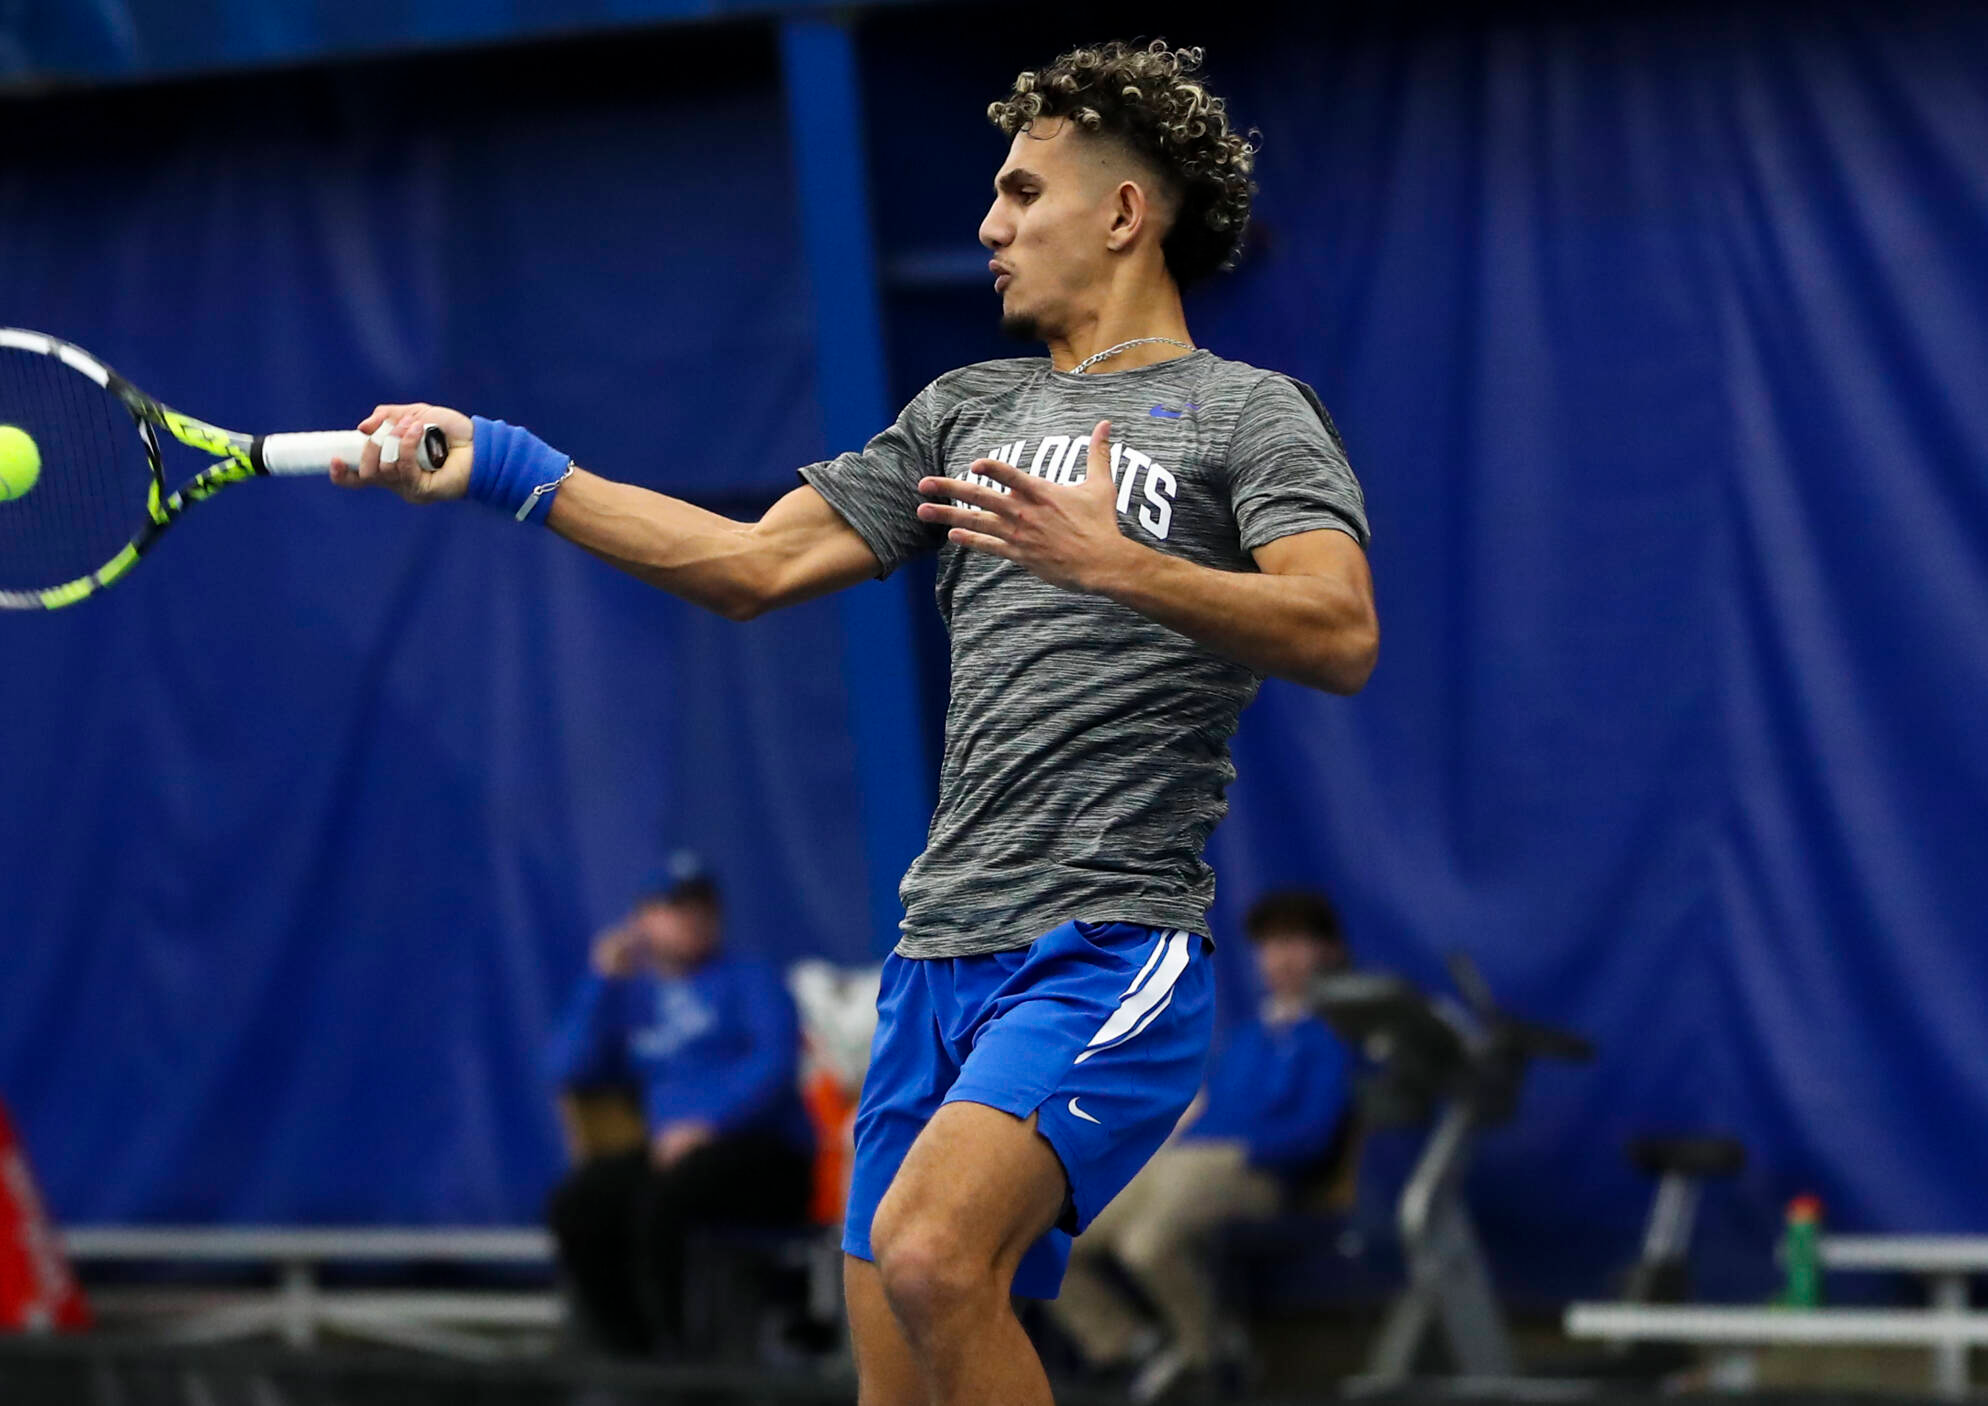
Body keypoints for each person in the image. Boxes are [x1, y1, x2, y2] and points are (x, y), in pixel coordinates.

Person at [330, 38, 1374, 1406]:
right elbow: (752, 566)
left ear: (1125, 213)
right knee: (894, 1378)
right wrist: (516, 470)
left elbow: (1340, 630)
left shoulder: (1247, 414)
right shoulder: (965, 410)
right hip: (934, 960)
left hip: (1104, 944)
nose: (989, 225)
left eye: (1020, 193)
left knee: (938, 1254)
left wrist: (1121, 564)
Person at [1052, 889, 1355, 1399]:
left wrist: (1231, 1148)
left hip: (1256, 1174)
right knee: (1051, 1237)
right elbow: (1205, 1110)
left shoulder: (1331, 1040)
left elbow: (1312, 1136)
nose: (1282, 957)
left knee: (1145, 1244)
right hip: (1186, 1162)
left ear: (1328, 952)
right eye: (1271, 943)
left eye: (1296, 942)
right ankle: (1125, 1347)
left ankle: (1207, 1354)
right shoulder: (1247, 1039)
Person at [545, 855, 814, 1357]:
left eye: (702, 903)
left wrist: (707, 1125)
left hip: (759, 1153)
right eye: (674, 905)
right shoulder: (632, 995)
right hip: (671, 1158)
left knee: (666, 1199)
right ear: (641, 920)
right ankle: (633, 1358)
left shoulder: (749, 978)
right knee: (579, 1203)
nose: (692, 915)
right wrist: (600, 981)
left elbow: (776, 1064)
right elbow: (566, 1069)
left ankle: (684, 1367)